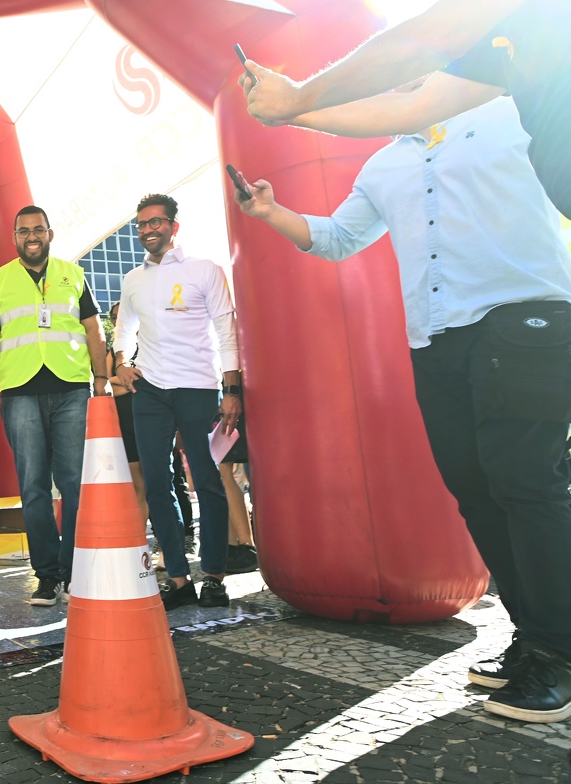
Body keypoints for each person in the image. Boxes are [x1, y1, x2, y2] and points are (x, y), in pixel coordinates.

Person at [235, 96, 571, 723]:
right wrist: (271, 211)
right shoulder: (383, 165)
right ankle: (536, 636)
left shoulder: (512, 114)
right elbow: (337, 239)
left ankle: (560, 651)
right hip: (437, 339)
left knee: (526, 483)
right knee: (474, 489)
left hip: (523, 318)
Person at [239, 0, 569, 218]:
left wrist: (296, 97)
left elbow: (435, 35)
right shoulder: (505, 34)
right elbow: (414, 107)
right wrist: (292, 111)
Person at [112, 194, 243, 611]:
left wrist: (232, 389)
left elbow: (226, 329)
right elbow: (123, 327)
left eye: (156, 222)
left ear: (173, 226)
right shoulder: (133, 279)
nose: (148, 229)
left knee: (206, 479)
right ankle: (180, 578)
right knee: (156, 482)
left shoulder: (204, 271)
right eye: (142, 224)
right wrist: (121, 362)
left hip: (198, 388)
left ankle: (216, 577)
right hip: (149, 390)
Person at [0, 205, 108, 606]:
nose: (31, 237)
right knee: (33, 488)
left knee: (74, 486)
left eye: (38, 230)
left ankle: (75, 571)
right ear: (14, 237)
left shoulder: (74, 274)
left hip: (71, 389)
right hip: (20, 391)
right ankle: (47, 576)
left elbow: (92, 329)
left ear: (49, 233)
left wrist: (101, 378)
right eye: (23, 231)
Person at [105, 302, 149, 527]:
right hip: (124, 425)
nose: (117, 321)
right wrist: (122, 381)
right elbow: (103, 386)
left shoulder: (150, 345)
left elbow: (144, 383)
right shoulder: (113, 350)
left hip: (151, 420)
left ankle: (173, 538)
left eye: (122, 316)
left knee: (161, 482)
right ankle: (139, 538)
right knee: (136, 484)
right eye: (113, 317)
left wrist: (120, 383)